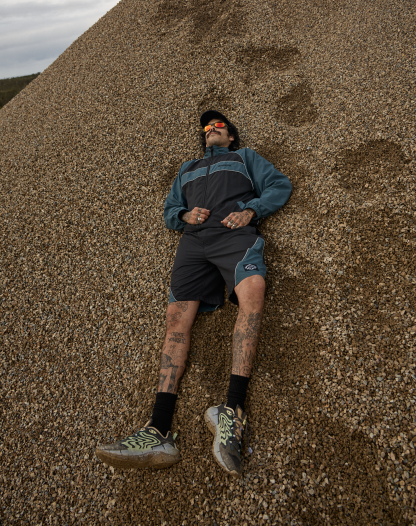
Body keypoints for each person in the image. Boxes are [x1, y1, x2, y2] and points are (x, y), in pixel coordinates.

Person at [96, 110, 292, 477]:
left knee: (254, 291)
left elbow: (279, 185)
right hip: (193, 245)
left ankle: (232, 412)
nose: (210, 130)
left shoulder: (245, 158)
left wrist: (251, 210)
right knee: (175, 320)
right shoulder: (186, 170)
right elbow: (170, 210)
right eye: (206, 128)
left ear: (231, 136)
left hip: (233, 235)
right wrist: (184, 216)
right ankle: (158, 430)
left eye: (218, 125)